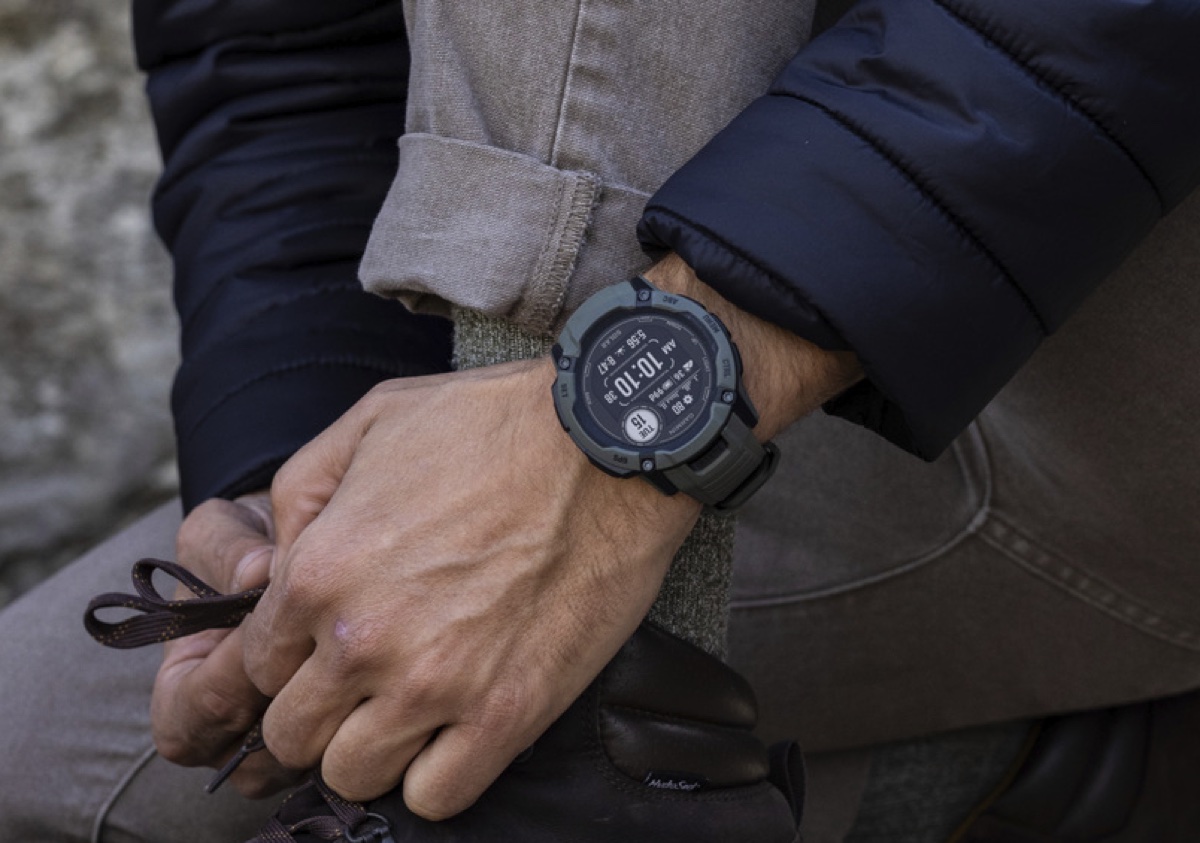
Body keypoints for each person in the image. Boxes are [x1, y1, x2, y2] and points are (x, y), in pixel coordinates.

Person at [3, 0, 1200, 840]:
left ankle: (575, 754)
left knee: (485, 779)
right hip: (884, 388)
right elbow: (283, 63)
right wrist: (321, 489)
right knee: (39, 762)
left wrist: (608, 436)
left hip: (1097, 308)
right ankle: (1026, 763)